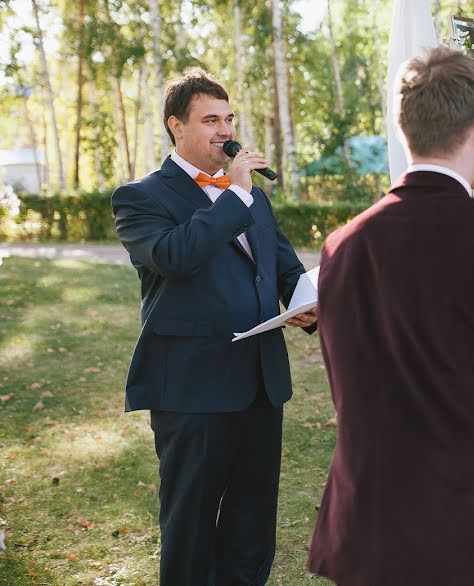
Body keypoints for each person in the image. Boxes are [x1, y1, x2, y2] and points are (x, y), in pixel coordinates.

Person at [307, 46, 474, 586]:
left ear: (403, 129)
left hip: (368, 525)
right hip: (471, 521)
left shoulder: (343, 244)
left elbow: (344, 385)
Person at [111, 67, 318, 585]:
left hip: (260, 384)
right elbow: (174, 256)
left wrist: (306, 303)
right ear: (176, 126)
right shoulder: (141, 197)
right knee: (191, 526)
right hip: (192, 388)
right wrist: (235, 196)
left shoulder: (251, 197)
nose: (225, 130)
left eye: (228, 119)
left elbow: (285, 269)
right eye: (210, 120)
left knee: (252, 528)